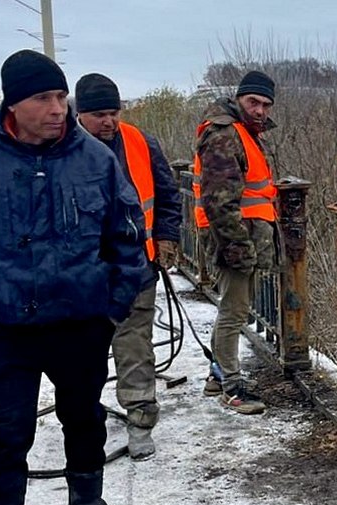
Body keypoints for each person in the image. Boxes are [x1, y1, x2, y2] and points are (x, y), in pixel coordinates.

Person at [0, 50, 149, 505]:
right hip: (3, 328)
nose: (57, 109)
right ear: (13, 104)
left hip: (80, 323)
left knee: (82, 418)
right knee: (8, 438)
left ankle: (86, 497)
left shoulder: (95, 160)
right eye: (44, 98)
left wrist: (111, 305)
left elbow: (128, 235)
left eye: (61, 98)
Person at [75, 73, 182, 460]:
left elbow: (169, 196)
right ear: (80, 114)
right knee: (83, 353)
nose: (109, 122)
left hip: (137, 266)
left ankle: (140, 419)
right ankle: (84, 423)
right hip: (83, 274)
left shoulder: (139, 142)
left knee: (135, 346)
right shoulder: (60, 149)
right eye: (99, 114)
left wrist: (167, 238)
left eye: (113, 113)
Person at [192, 70, 279, 415]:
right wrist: (238, 248)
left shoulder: (242, 132)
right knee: (234, 311)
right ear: (239, 98)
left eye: (266, 105)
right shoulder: (225, 135)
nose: (260, 110)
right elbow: (220, 203)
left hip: (243, 236)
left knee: (233, 307)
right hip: (234, 238)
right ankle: (231, 385)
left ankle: (217, 375)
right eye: (253, 102)